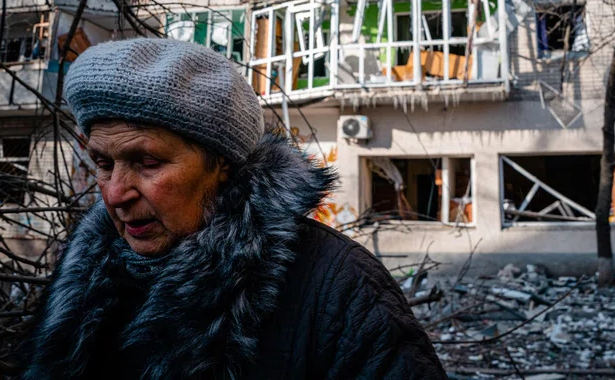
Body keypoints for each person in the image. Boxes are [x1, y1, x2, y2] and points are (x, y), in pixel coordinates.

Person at [22, 38, 447, 379]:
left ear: (223, 165)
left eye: (147, 163)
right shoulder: (86, 275)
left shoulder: (338, 285)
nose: (116, 194)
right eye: (102, 163)